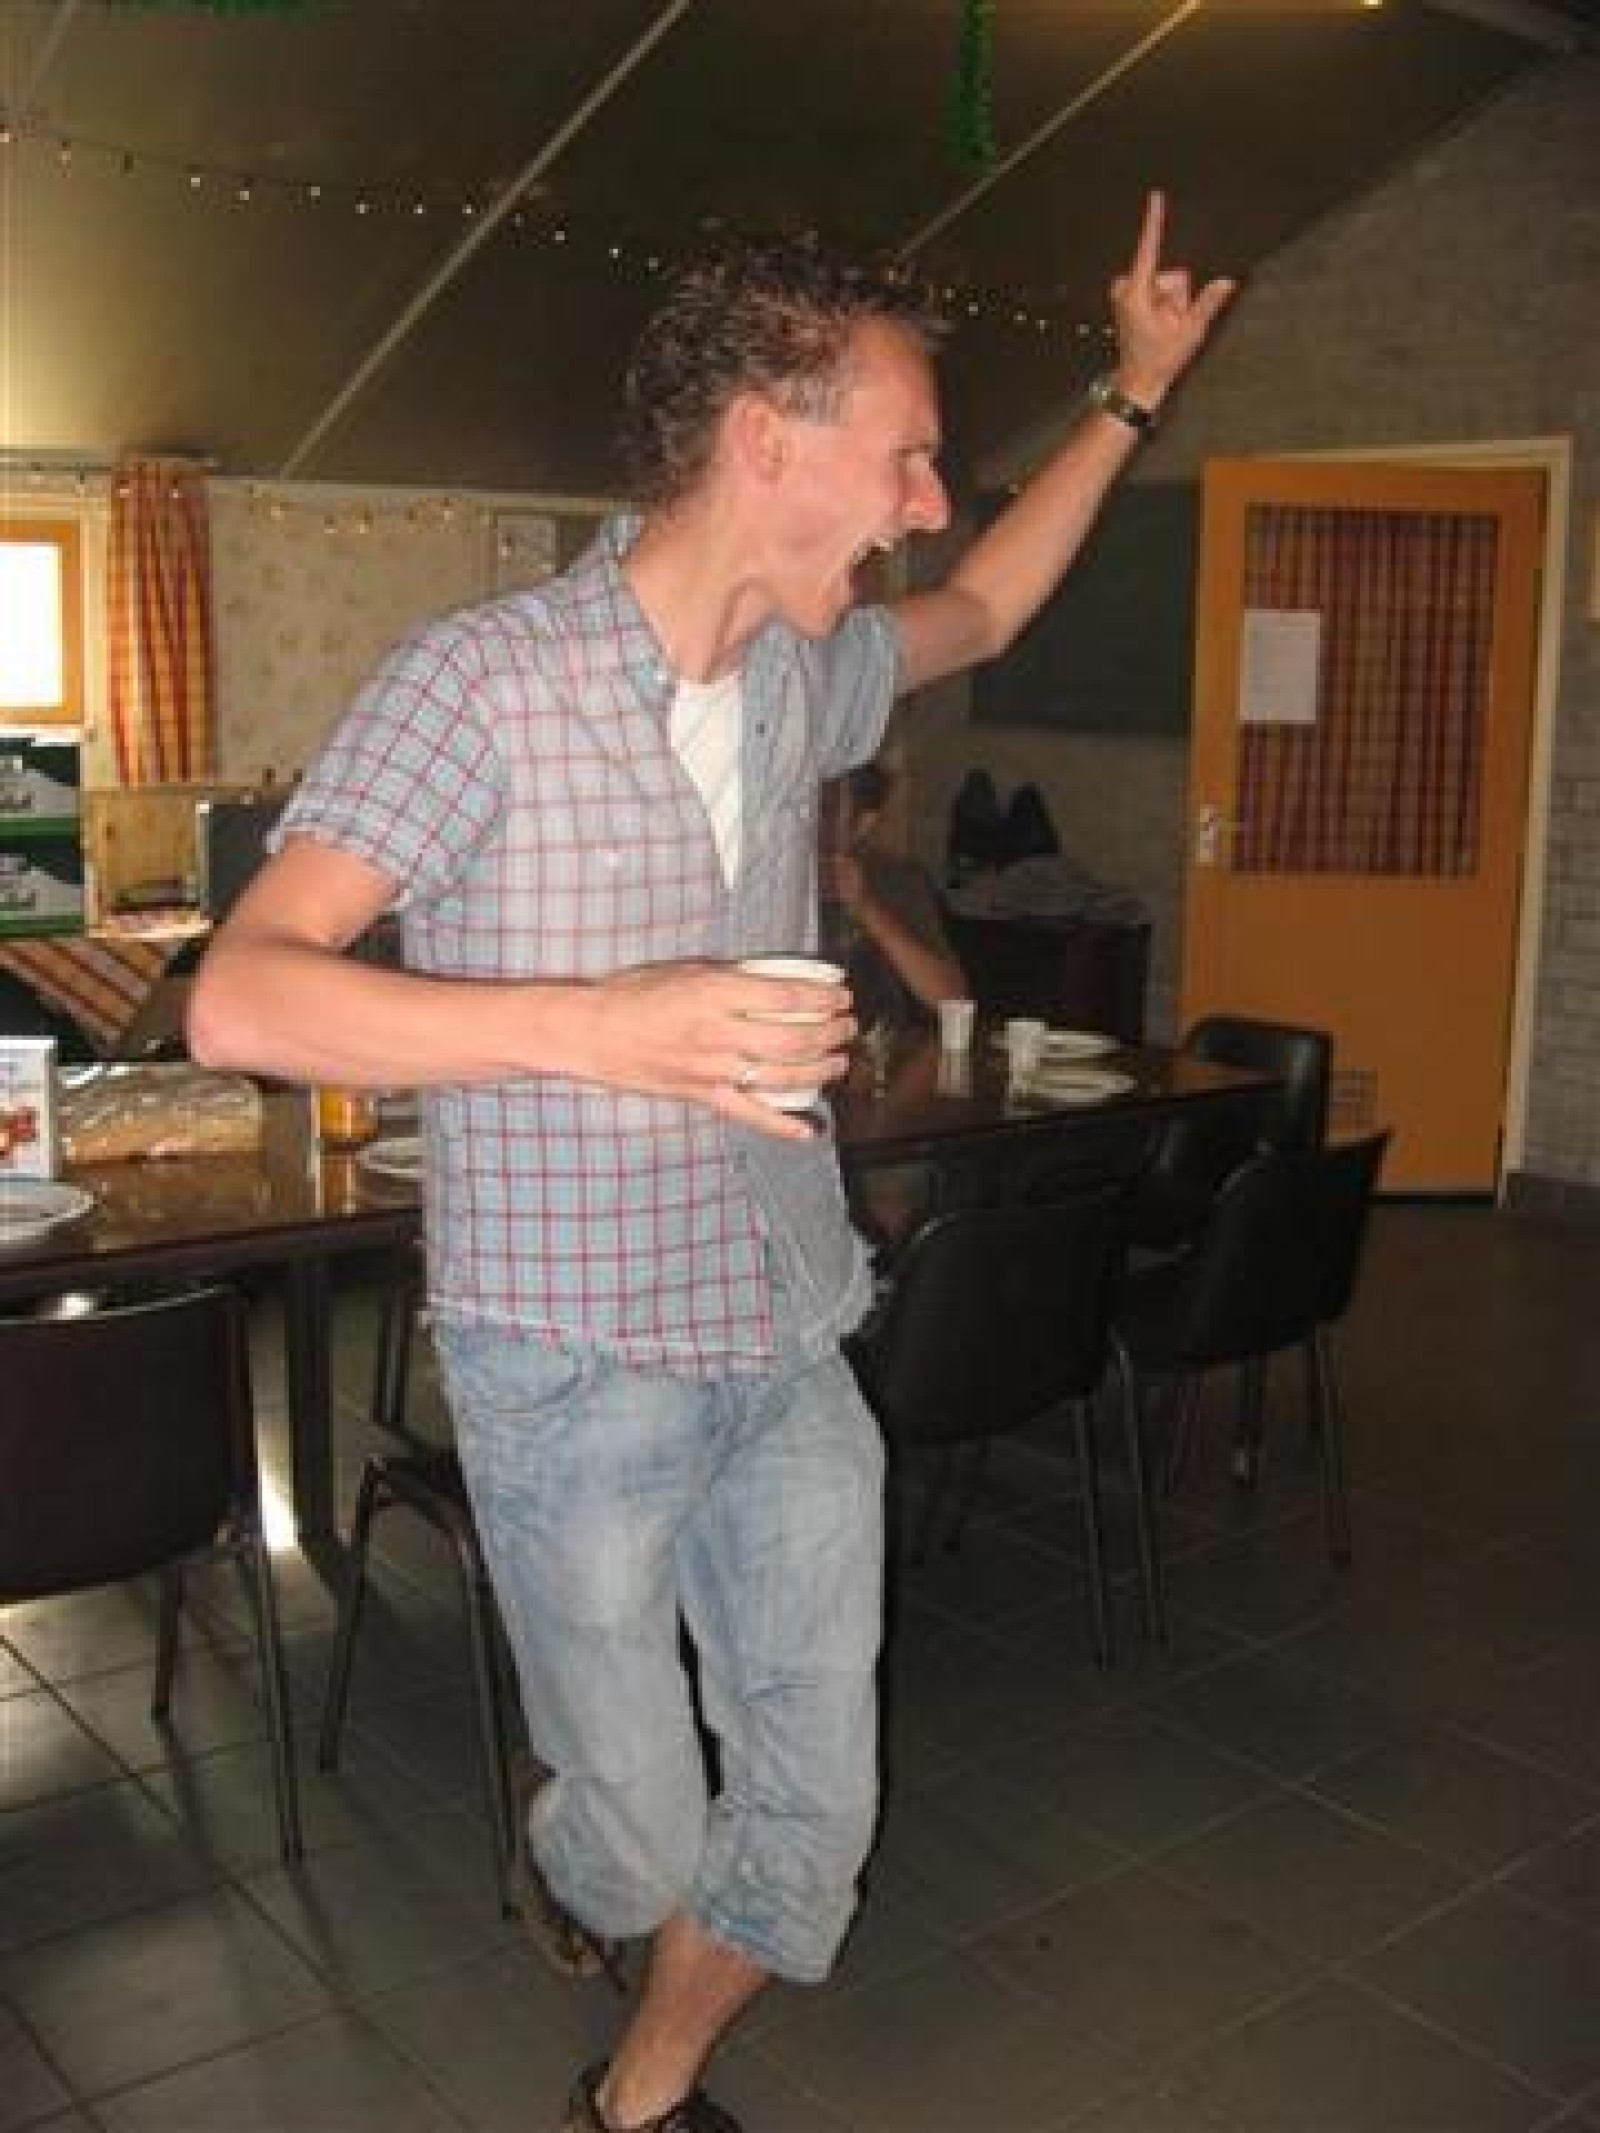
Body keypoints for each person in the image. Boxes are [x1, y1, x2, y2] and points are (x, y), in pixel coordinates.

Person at [188, 190, 1231, 2133]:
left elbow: (990, 607)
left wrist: (1134, 391)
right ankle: (578, 1848)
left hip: (783, 1324)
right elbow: (241, 998)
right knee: (646, 1841)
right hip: (566, 1355)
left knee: (816, 1813)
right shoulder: (481, 682)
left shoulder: (799, 681)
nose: (924, 501)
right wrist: (604, 1024)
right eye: (903, 455)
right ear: (765, 442)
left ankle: (638, 2095)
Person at [819, 761, 967, 1034]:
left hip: (878, 1048)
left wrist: (866, 907)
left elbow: (953, 1000)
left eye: (825, 811)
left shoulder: (897, 881)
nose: (811, 824)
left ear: (862, 824)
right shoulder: (771, 883)